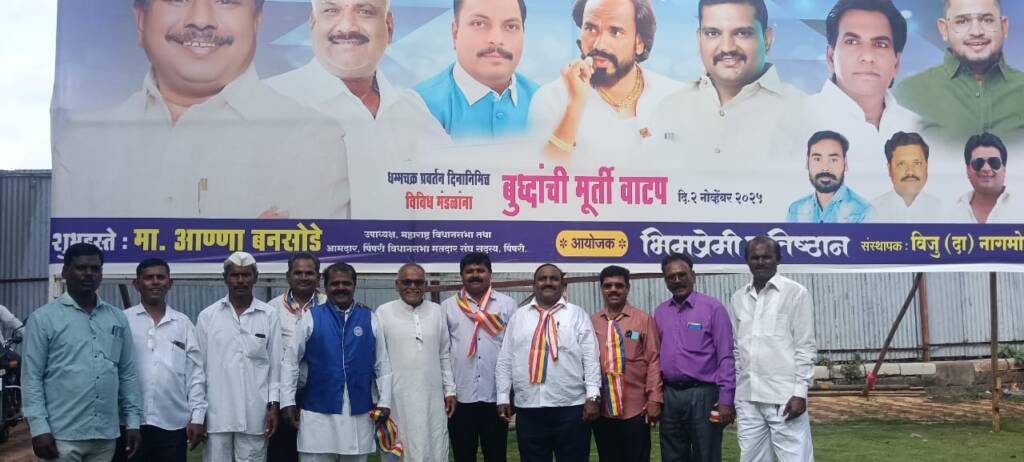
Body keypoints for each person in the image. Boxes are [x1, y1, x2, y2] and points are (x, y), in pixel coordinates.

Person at [52, 0, 349, 219]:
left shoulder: (313, 137)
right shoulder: (83, 144)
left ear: (256, 22)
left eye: (226, 1)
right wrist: (245, 237)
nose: (201, 21)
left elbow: (303, 260)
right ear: (141, 20)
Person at [266, 0, 450, 218]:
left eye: (365, 11)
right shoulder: (266, 103)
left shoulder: (413, 110)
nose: (347, 27)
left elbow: (452, 198)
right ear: (313, 25)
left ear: (389, 27)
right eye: (331, 10)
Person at [22, 243, 142, 461]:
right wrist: (39, 428)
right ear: (65, 271)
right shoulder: (43, 319)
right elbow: (32, 378)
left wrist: (132, 421)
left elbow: (127, 373)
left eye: (95, 269)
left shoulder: (116, 318)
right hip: (61, 436)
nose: (89, 274)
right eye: (81, 268)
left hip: (105, 436)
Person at [649, 0, 803, 164]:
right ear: (699, 39)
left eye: (742, 33)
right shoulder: (669, 110)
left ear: (767, 39)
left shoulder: (801, 111)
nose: (727, 48)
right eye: (712, 33)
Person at [529, 0, 681, 159]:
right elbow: (542, 170)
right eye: (590, 29)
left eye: (616, 32)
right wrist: (574, 105)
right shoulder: (551, 99)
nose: (599, 45)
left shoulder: (676, 98)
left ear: (640, 43)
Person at [799, 0, 921, 197]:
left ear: (896, 63)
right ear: (831, 57)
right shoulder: (795, 119)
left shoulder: (918, 127)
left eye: (880, 44)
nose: (867, 56)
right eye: (852, 42)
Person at [280, 262, 393, 462]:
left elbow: (382, 364)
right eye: (335, 283)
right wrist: (287, 401)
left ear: (354, 285)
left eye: (346, 283)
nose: (341, 288)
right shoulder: (311, 317)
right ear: (325, 286)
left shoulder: (369, 318)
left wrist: (384, 401)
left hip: (358, 412)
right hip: (317, 412)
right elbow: (290, 362)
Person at [495, 264, 601, 462]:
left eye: (554, 278)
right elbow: (505, 359)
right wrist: (502, 396)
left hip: (571, 407)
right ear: (534, 284)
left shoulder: (577, 314)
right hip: (529, 408)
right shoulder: (519, 317)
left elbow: (591, 358)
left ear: (562, 284)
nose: (548, 282)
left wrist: (593, 396)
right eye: (542, 278)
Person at [729, 236, 816, 462]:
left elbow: (805, 346)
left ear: (778, 259)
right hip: (748, 399)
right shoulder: (739, 298)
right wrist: (737, 395)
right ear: (747, 261)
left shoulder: (795, 293)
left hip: (784, 398)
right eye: (755, 257)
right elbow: (738, 349)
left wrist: (800, 393)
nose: (760, 262)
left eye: (766, 257)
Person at [895, 0, 1024, 147]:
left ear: (1003, 26)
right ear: (944, 29)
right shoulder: (909, 93)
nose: (976, 31)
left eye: (987, 20)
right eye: (962, 21)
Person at [196, 252, 282, 462]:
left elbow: (275, 366)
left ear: (255, 277)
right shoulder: (208, 316)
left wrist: (273, 406)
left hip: (255, 413)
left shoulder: (269, 315)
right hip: (217, 414)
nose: (241, 280)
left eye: (246, 275)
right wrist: (198, 414)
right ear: (225, 278)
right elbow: (198, 369)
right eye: (235, 275)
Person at [119, 258, 206, 462]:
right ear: (136, 284)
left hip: (173, 423)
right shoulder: (123, 320)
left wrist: (197, 417)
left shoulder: (183, 324)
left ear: (170, 283)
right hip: (130, 423)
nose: (155, 282)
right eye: (149, 278)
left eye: (160, 277)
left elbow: (195, 374)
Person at [415, 0, 538, 140]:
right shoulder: (418, 106)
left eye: (511, 26)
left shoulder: (546, 102)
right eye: (479, 23)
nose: (496, 39)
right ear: (455, 33)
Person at [654, 255, 735, 462]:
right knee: (672, 456)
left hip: (703, 396)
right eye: (671, 277)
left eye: (682, 274)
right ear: (665, 281)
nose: (677, 280)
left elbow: (726, 356)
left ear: (693, 275)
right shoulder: (661, 312)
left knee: (706, 455)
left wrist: (726, 399)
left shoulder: (713, 308)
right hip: (670, 397)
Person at [375, 263, 456, 461]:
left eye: (418, 282)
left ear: (425, 285)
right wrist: (380, 398)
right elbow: (379, 359)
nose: (413, 286)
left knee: (434, 443)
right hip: (397, 398)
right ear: (397, 285)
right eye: (407, 282)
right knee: (401, 445)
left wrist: (450, 390)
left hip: (432, 397)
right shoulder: (383, 312)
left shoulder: (437, 311)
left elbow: (444, 354)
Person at [441, 252, 517, 462]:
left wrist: (508, 392)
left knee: (496, 455)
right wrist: (449, 390)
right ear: (462, 276)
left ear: (490, 274)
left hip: (495, 395)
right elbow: (444, 352)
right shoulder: (448, 307)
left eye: (480, 270)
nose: (475, 275)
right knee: (463, 455)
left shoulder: (507, 305)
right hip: (461, 397)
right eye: (469, 271)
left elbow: (514, 350)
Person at [590, 265, 662, 462]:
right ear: (602, 289)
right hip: (604, 409)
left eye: (619, 285)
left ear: (627, 288)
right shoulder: (592, 322)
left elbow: (653, 360)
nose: (613, 290)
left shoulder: (643, 320)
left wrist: (654, 398)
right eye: (608, 286)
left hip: (636, 408)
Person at [267, 253, 328, 462]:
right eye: (298, 272)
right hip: (284, 394)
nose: (303, 277)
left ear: (318, 277)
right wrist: (276, 402)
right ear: (288, 276)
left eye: (309, 273)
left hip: (321, 395)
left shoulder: (330, 305)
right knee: (282, 454)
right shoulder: (271, 309)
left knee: (319, 454)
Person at [787, 130, 873, 223]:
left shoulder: (864, 212)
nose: (825, 168)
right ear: (807, 163)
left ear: (845, 163)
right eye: (817, 159)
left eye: (833, 160)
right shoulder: (795, 210)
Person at [869, 132, 942, 223]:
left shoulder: (942, 210)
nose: (910, 172)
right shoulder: (872, 212)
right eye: (901, 164)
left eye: (916, 163)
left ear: (926, 167)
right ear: (889, 169)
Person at [953, 132, 1023, 223]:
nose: (986, 168)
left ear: (1004, 169)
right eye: (978, 163)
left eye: (994, 162)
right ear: (968, 170)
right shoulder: (952, 214)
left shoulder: (1021, 207)